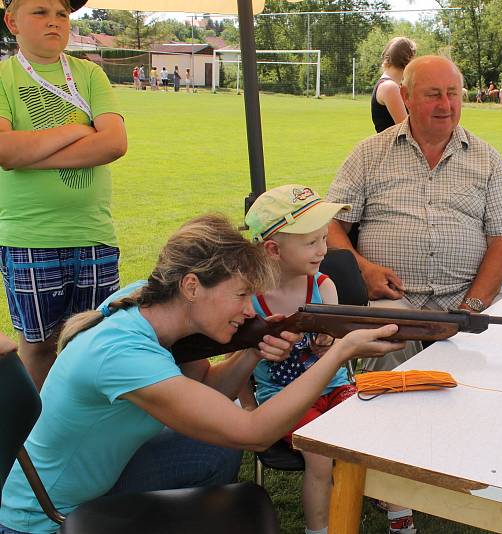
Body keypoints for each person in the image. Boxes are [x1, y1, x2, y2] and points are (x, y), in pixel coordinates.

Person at [0, 214, 404, 534]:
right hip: (45, 517)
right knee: (230, 440)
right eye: (242, 295)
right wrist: (341, 353)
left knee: (216, 449)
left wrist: (251, 352)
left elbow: (208, 388)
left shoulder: (152, 300)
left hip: (101, 478)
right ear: (192, 286)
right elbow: (254, 433)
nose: (251, 311)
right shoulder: (123, 355)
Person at [326, 55, 502, 371]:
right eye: (433, 94)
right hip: (391, 300)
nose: (446, 104)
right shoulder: (369, 153)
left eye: (453, 93)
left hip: (464, 298)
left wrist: (471, 307)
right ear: (405, 97)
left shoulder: (487, 160)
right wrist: (363, 269)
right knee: (383, 341)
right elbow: (331, 226)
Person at [240, 185, 418, 534]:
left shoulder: (324, 286)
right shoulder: (247, 300)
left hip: (334, 388)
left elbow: (335, 349)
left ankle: (402, 521)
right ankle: (319, 529)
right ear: (273, 249)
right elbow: (238, 362)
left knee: (383, 430)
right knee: (320, 455)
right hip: (283, 400)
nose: (324, 249)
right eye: (311, 242)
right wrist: (248, 409)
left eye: (324, 238)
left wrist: (327, 343)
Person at [0, 0, 127, 391]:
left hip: (94, 234)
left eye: (61, 14)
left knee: (94, 341)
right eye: (40, 12)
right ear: (11, 21)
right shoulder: (4, 76)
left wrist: (30, 153)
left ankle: (84, 433)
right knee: (38, 347)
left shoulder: (89, 74)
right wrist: (80, 131)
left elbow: (115, 143)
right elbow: (5, 152)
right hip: (30, 236)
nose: (54, 22)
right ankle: (40, 440)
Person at [371, 36, 416, 133]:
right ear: (409, 59)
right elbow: (407, 130)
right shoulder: (389, 87)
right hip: (392, 147)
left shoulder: (390, 85)